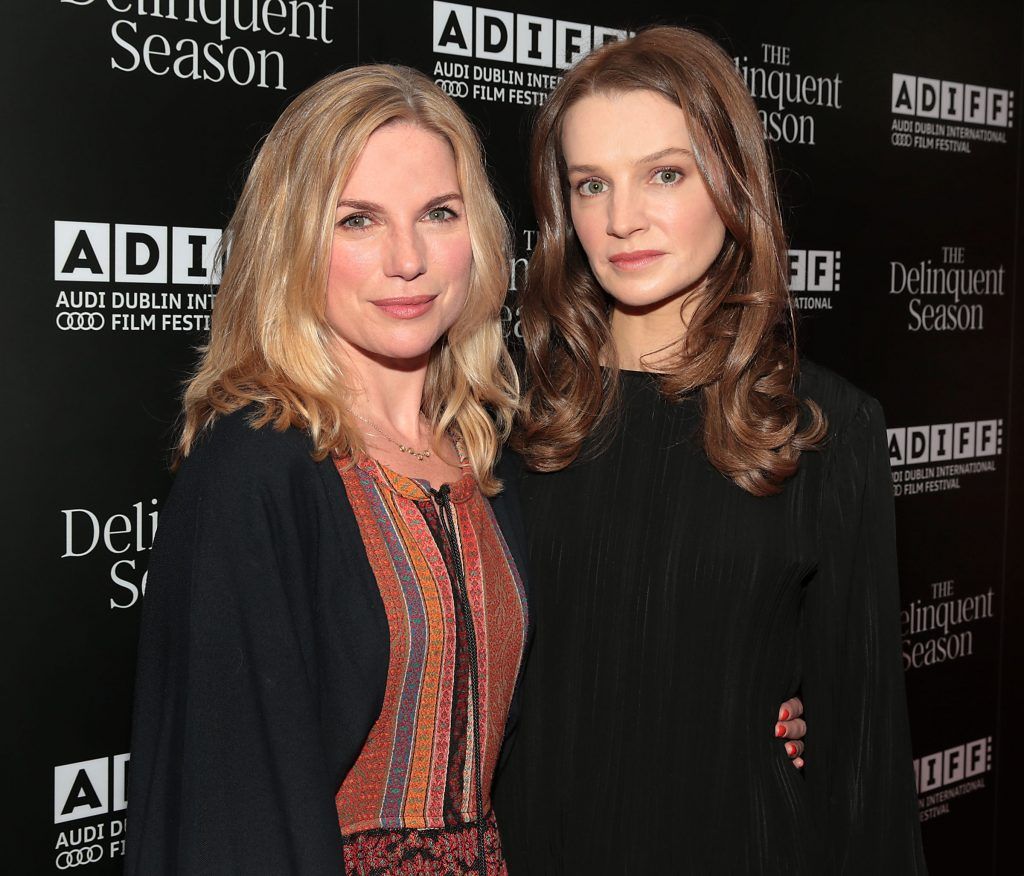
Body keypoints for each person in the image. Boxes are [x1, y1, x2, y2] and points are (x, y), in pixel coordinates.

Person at [493, 26, 927, 874]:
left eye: (665, 174)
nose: (623, 220)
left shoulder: (825, 425)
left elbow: (864, 759)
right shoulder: (500, 409)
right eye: (591, 185)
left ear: (731, 179)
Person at [125, 64, 529, 876]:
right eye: (357, 221)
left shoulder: (487, 458)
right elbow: (226, 810)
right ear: (293, 241)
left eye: (438, 213)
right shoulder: (255, 471)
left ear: (476, 232)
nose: (407, 259)